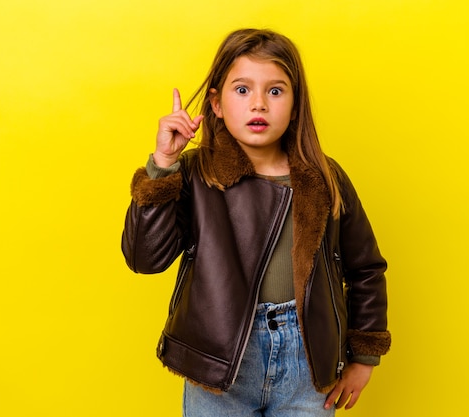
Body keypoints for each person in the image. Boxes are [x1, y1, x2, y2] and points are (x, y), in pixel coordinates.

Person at [121, 28, 390, 416]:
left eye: (276, 91)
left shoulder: (324, 179)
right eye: (242, 90)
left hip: (308, 364)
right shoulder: (197, 174)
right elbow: (144, 258)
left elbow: (365, 268)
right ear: (216, 103)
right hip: (219, 361)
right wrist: (163, 165)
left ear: (296, 105)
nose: (259, 104)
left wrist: (363, 357)